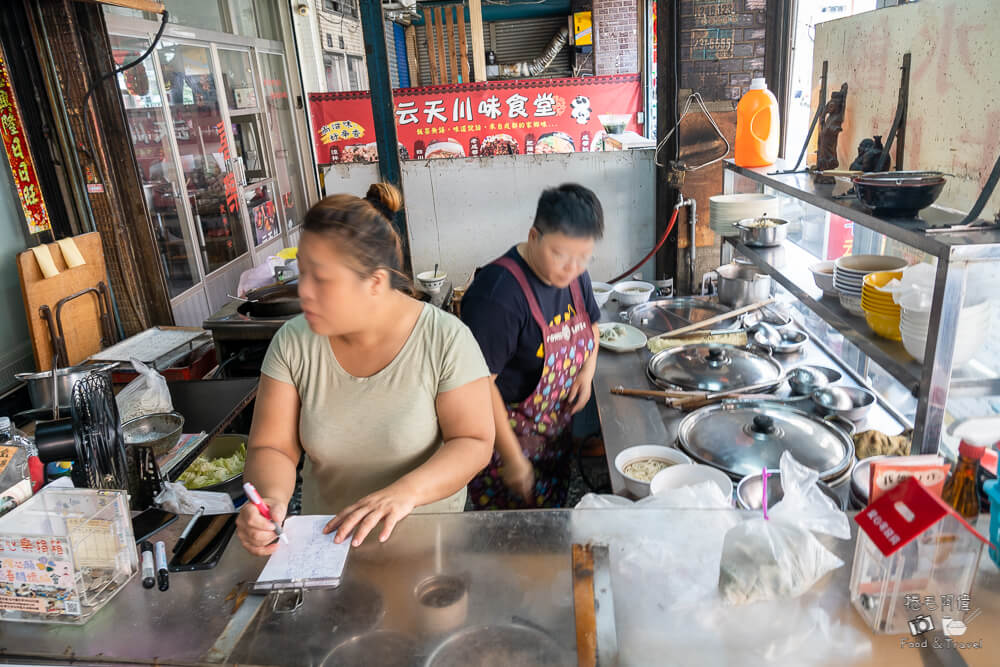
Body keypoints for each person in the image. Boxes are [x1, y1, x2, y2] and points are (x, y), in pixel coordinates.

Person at [236, 184, 495, 556]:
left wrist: (405, 493)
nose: (304, 292)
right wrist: (271, 501)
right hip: (325, 546)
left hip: (425, 546)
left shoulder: (446, 339)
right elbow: (271, 446)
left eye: (322, 280)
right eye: (302, 273)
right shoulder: (293, 342)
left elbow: (472, 442)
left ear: (375, 282)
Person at [461, 183, 604, 509]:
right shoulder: (497, 296)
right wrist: (512, 458)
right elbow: (478, 387)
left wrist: (587, 370)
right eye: (561, 255)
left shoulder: (574, 276)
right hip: (504, 454)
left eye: (583, 257)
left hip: (554, 442)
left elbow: (592, 327)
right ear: (533, 236)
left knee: (550, 533)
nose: (572, 269)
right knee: (511, 547)